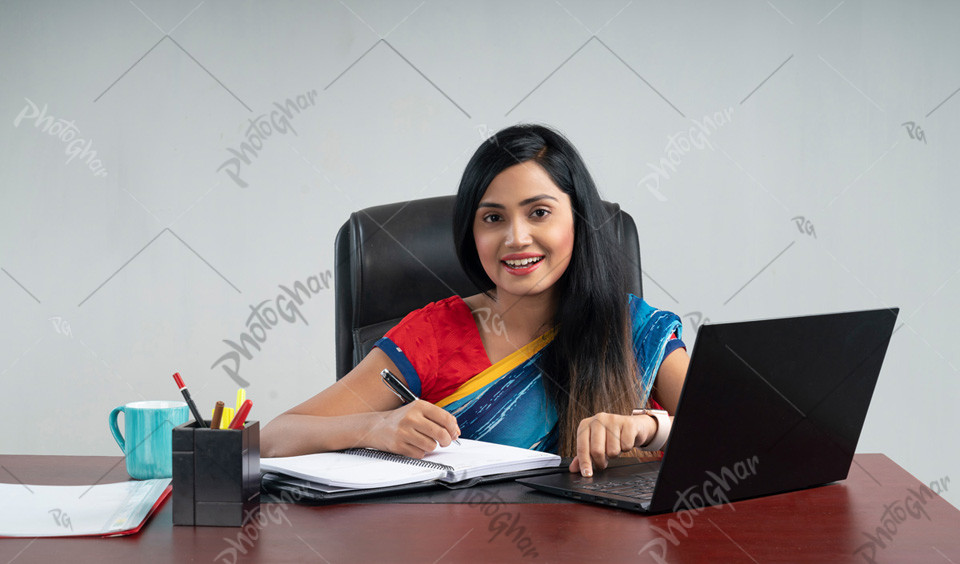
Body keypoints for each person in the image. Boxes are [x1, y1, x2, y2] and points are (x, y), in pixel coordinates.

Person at [261, 124, 689, 477]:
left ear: (578, 220)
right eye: (493, 218)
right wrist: (375, 426)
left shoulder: (633, 326)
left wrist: (649, 427)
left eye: (539, 212)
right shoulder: (432, 333)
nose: (516, 238)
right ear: (472, 232)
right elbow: (273, 437)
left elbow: (737, 434)